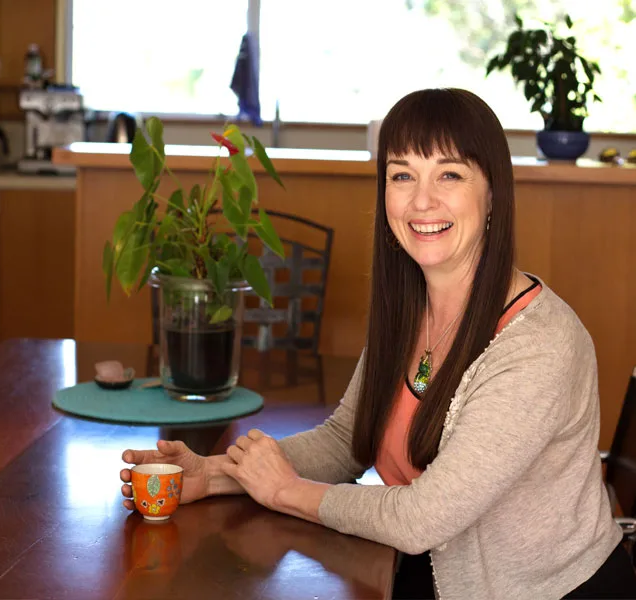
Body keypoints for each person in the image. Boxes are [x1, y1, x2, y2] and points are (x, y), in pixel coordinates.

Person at [120, 88, 636, 599]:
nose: (422, 201)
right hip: (421, 570)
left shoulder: (539, 346)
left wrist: (285, 491)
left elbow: (423, 518)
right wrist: (213, 475)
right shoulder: (412, 309)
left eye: (450, 175)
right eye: (402, 175)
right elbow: (345, 442)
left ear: (493, 194)